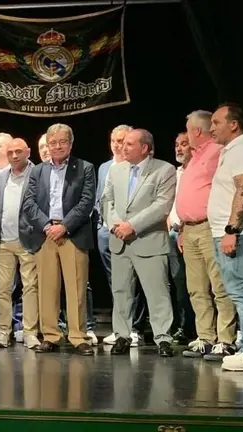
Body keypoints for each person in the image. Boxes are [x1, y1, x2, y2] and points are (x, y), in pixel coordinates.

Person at [101, 128, 177, 357]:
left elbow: (162, 205)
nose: (124, 147)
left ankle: (163, 338)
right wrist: (116, 224)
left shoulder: (164, 170)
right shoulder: (116, 171)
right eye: (123, 143)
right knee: (121, 291)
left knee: (157, 293)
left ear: (144, 148)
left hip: (148, 240)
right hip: (120, 241)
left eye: (130, 144)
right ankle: (122, 336)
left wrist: (132, 225)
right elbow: (106, 201)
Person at [22, 123, 95, 356]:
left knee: (76, 288)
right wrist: (46, 226)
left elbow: (86, 202)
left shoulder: (85, 168)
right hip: (45, 234)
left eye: (62, 141)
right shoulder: (37, 171)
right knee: (47, 288)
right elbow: (29, 203)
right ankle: (51, 335)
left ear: (71, 144)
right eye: (53, 142)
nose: (57, 146)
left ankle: (78, 336)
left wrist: (64, 226)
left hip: (72, 233)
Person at [178, 110, 237, 360]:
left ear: (196, 131)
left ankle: (225, 339)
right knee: (196, 287)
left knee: (218, 285)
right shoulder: (194, 157)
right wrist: (181, 227)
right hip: (189, 229)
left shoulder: (216, 152)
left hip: (208, 227)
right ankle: (205, 337)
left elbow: (229, 187)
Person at [207, 102, 243, 371]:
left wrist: (232, 230)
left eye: (216, 123)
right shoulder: (230, 150)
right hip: (227, 233)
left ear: (233, 124)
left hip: (237, 234)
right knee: (238, 292)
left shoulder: (241, 148)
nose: (211, 129)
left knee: (241, 292)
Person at [98, 125, 145, 347]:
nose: (118, 145)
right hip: (106, 232)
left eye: (122, 141)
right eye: (114, 140)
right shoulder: (105, 168)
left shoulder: (135, 167)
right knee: (115, 281)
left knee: (133, 279)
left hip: (129, 230)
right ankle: (120, 327)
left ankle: (134, 327)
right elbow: (102, 200)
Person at [0, 138, 39, 349]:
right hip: (4, 241)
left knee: (30, 287)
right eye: (10, 152)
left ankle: (30, 332)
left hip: (27, 240)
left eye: (18, 151)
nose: (14, 156)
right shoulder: (2, 177)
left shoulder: (37, 173)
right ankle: (3, 331)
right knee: (2, 289)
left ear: (28, 152)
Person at [168, 132, 196, 343]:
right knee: (180, 284)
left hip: (192, 232)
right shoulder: (175, 172)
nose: (179, 149)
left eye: (184, 144)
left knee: (197, 284)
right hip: (172, 233)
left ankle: (201, 330)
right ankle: (184, 328)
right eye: (177, 145)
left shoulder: (197, 171)